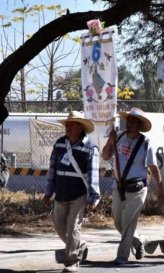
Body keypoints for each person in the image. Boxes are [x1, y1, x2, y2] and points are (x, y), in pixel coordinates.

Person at [101, 107, 164, 265]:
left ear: (139, 124)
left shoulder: (145, 143)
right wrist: (110, 141)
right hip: (119, 187)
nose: (128, 123)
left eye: (132, 121)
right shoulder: (118, 137)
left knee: (129, 222)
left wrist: (160, 188)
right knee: (118, 221)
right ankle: (138, 241)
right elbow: (105, 156)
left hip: (138, 188)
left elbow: (153, 167)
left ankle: (122, 256)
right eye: (127, 120)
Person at [43, 111, 100, 272]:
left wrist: (93, 198)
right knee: (59, 225)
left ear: (80, 127)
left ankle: (72, 261)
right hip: (60, 193)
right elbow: (52, 169)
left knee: (73, 227)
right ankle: (79, 245)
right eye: (66, 124)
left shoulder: (90, 147)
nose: (67, 127)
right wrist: (48, 192)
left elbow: (93, 175)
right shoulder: (60, 144)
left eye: (71, 124)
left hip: (79, 194)